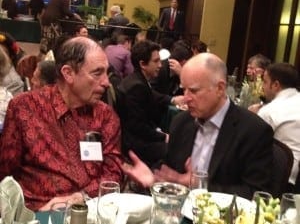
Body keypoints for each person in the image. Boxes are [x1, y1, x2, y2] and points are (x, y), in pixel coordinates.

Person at [122, 52, 274, 199]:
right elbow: (171, 167)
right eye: (184, 89)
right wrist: (153, 176)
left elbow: (256, 194)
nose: (186, 98)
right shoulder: (182, 122)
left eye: (193, 91)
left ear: (220, 89)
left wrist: (198, 185)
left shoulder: (253, 130)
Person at [0, 36, 124, 211]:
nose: (106, 82)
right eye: (97, 73)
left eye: (106, 72)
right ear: (68, 73)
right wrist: (27, 210)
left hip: (89, 209)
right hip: (39, 212)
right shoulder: (25, 108)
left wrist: (79, 198)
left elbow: (113, 175)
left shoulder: (105, 116)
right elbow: (6, 175)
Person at [116, 40, 184, 168]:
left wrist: (172, 100)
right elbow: (139, 128)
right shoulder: (137, 87)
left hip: (137, 138)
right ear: (143, 64)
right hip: (136, 144)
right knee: (178, 151)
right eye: (156, 61)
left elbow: (152, 95)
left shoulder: (135, 80)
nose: (160, 65)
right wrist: (163, 137)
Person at [248, 62, 300, 190]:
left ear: (276, 85)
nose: (263, 88)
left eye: (265, 82)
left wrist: (252, 117)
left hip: (283, 180)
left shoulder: (270, 111)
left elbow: (250, 144)